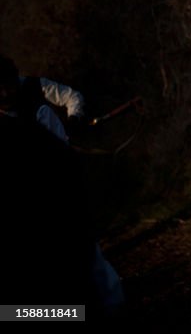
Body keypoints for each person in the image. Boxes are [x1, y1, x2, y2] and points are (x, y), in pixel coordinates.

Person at [0, 56, 125, 314]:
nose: (5, 93)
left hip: (60, 181)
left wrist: (75, 117)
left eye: (8, 85)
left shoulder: (35, 90)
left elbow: (71, 97)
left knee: (85, 253)